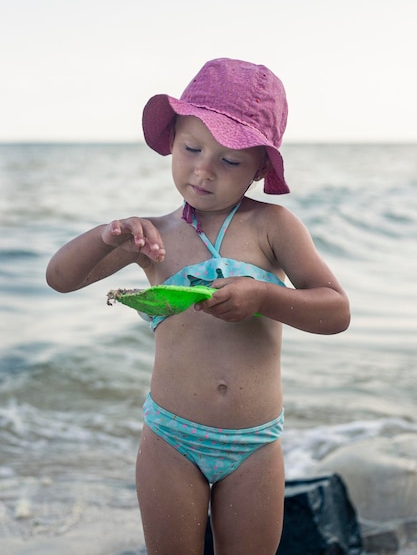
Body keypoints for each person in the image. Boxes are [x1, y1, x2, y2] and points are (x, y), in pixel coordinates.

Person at [46, 58, 350, 555]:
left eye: (230, 161)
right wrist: (106, 237)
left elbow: (336, 311)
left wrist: (267, 297)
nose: (204, 170)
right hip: (171, 438)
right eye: (192, 148)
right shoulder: (152, 236)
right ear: (171, 142)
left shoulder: (274, 226)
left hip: (253, 445)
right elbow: (61, 279)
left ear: (259, 169)